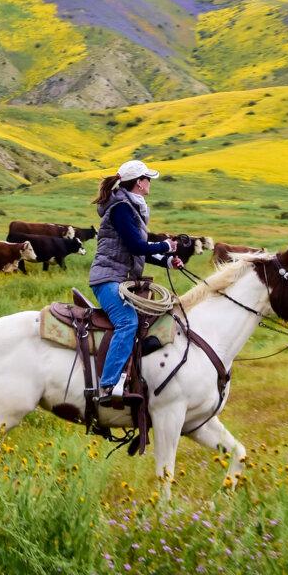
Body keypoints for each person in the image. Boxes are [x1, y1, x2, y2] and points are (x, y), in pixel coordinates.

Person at [89, 160, 183, 402]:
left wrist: (167, 261)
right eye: (147, 179)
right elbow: (136, 246)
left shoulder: (131, 207)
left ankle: (134, 378)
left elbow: (136, 252)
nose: (150, 183)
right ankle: (107, 386)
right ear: (139, 183)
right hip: (107, 278)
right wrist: (165, 245)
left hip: (120, 279)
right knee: (127, 322)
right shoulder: (121, 208)